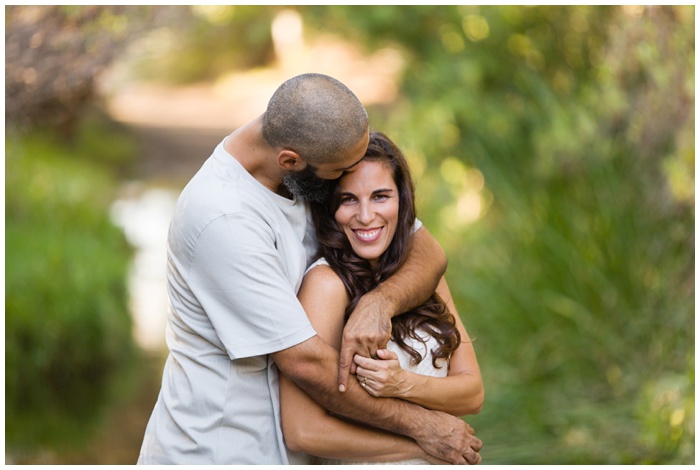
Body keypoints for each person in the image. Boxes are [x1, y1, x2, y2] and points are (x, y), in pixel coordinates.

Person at [137, 73, 482, 465]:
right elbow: (308, 363)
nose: (350, 183)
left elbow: (428, 253)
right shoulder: (223, 218)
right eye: (341, 177)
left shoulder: (308, 164)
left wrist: (379, 303)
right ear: (291, 161)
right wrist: (422, 429)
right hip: (220, 450)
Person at [280, 131, 484, 464]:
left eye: (380, 196)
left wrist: (402, 384)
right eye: (348, 200)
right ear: (330, 208)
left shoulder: (421, 273)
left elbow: (472, 394)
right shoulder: (326, 285)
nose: (365, 216)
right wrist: (424, 440)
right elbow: (304, 431)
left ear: (402, 200)